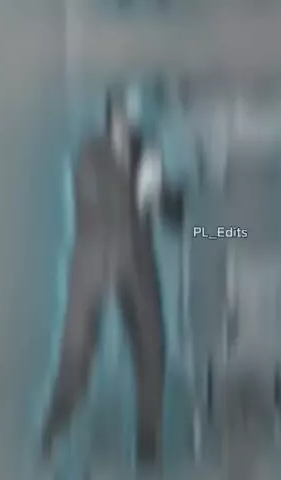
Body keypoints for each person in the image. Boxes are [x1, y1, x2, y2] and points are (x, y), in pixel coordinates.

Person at [41, 87, 185, 470]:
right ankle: (48, 441)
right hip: (93, 268)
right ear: (113, 116)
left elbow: (177, 221)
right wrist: (139, 190)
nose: (134, 122)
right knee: (76, 362)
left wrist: (165, 194)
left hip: (139, 267)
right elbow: (99, 203)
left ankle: (148, 452)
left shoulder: (147, 154)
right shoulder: (89, 155)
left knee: (153, 351)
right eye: (128, 114)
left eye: (138, 115)